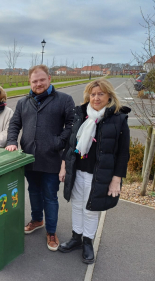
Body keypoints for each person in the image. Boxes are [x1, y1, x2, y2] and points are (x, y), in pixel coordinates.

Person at [58, 78, 130, 264]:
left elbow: (123, 153)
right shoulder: (81, 114)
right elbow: (71, 143)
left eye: (101, 94)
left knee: (91, 209)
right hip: (78, 170)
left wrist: (116, 179)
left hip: (99, 174)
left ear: (109, 96)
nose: (96, 98)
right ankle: (76, 237)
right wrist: (64, 165)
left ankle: (88, 242)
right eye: (93, 94)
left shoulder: (118, 119)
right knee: (76, 204)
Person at [5, 65, 75, 251]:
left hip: (51, 158)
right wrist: (12, 141)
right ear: (30, 82)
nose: (38, 84)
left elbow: (72, 125)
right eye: (34, 81)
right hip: (29, 158)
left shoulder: (64, 100)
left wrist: (58, 142)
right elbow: (15, 124)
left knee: (50, 196)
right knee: (33, 192)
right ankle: (37, 220)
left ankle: (51, 231)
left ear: (49, 79)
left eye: (42, 80)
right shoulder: (23, 102)